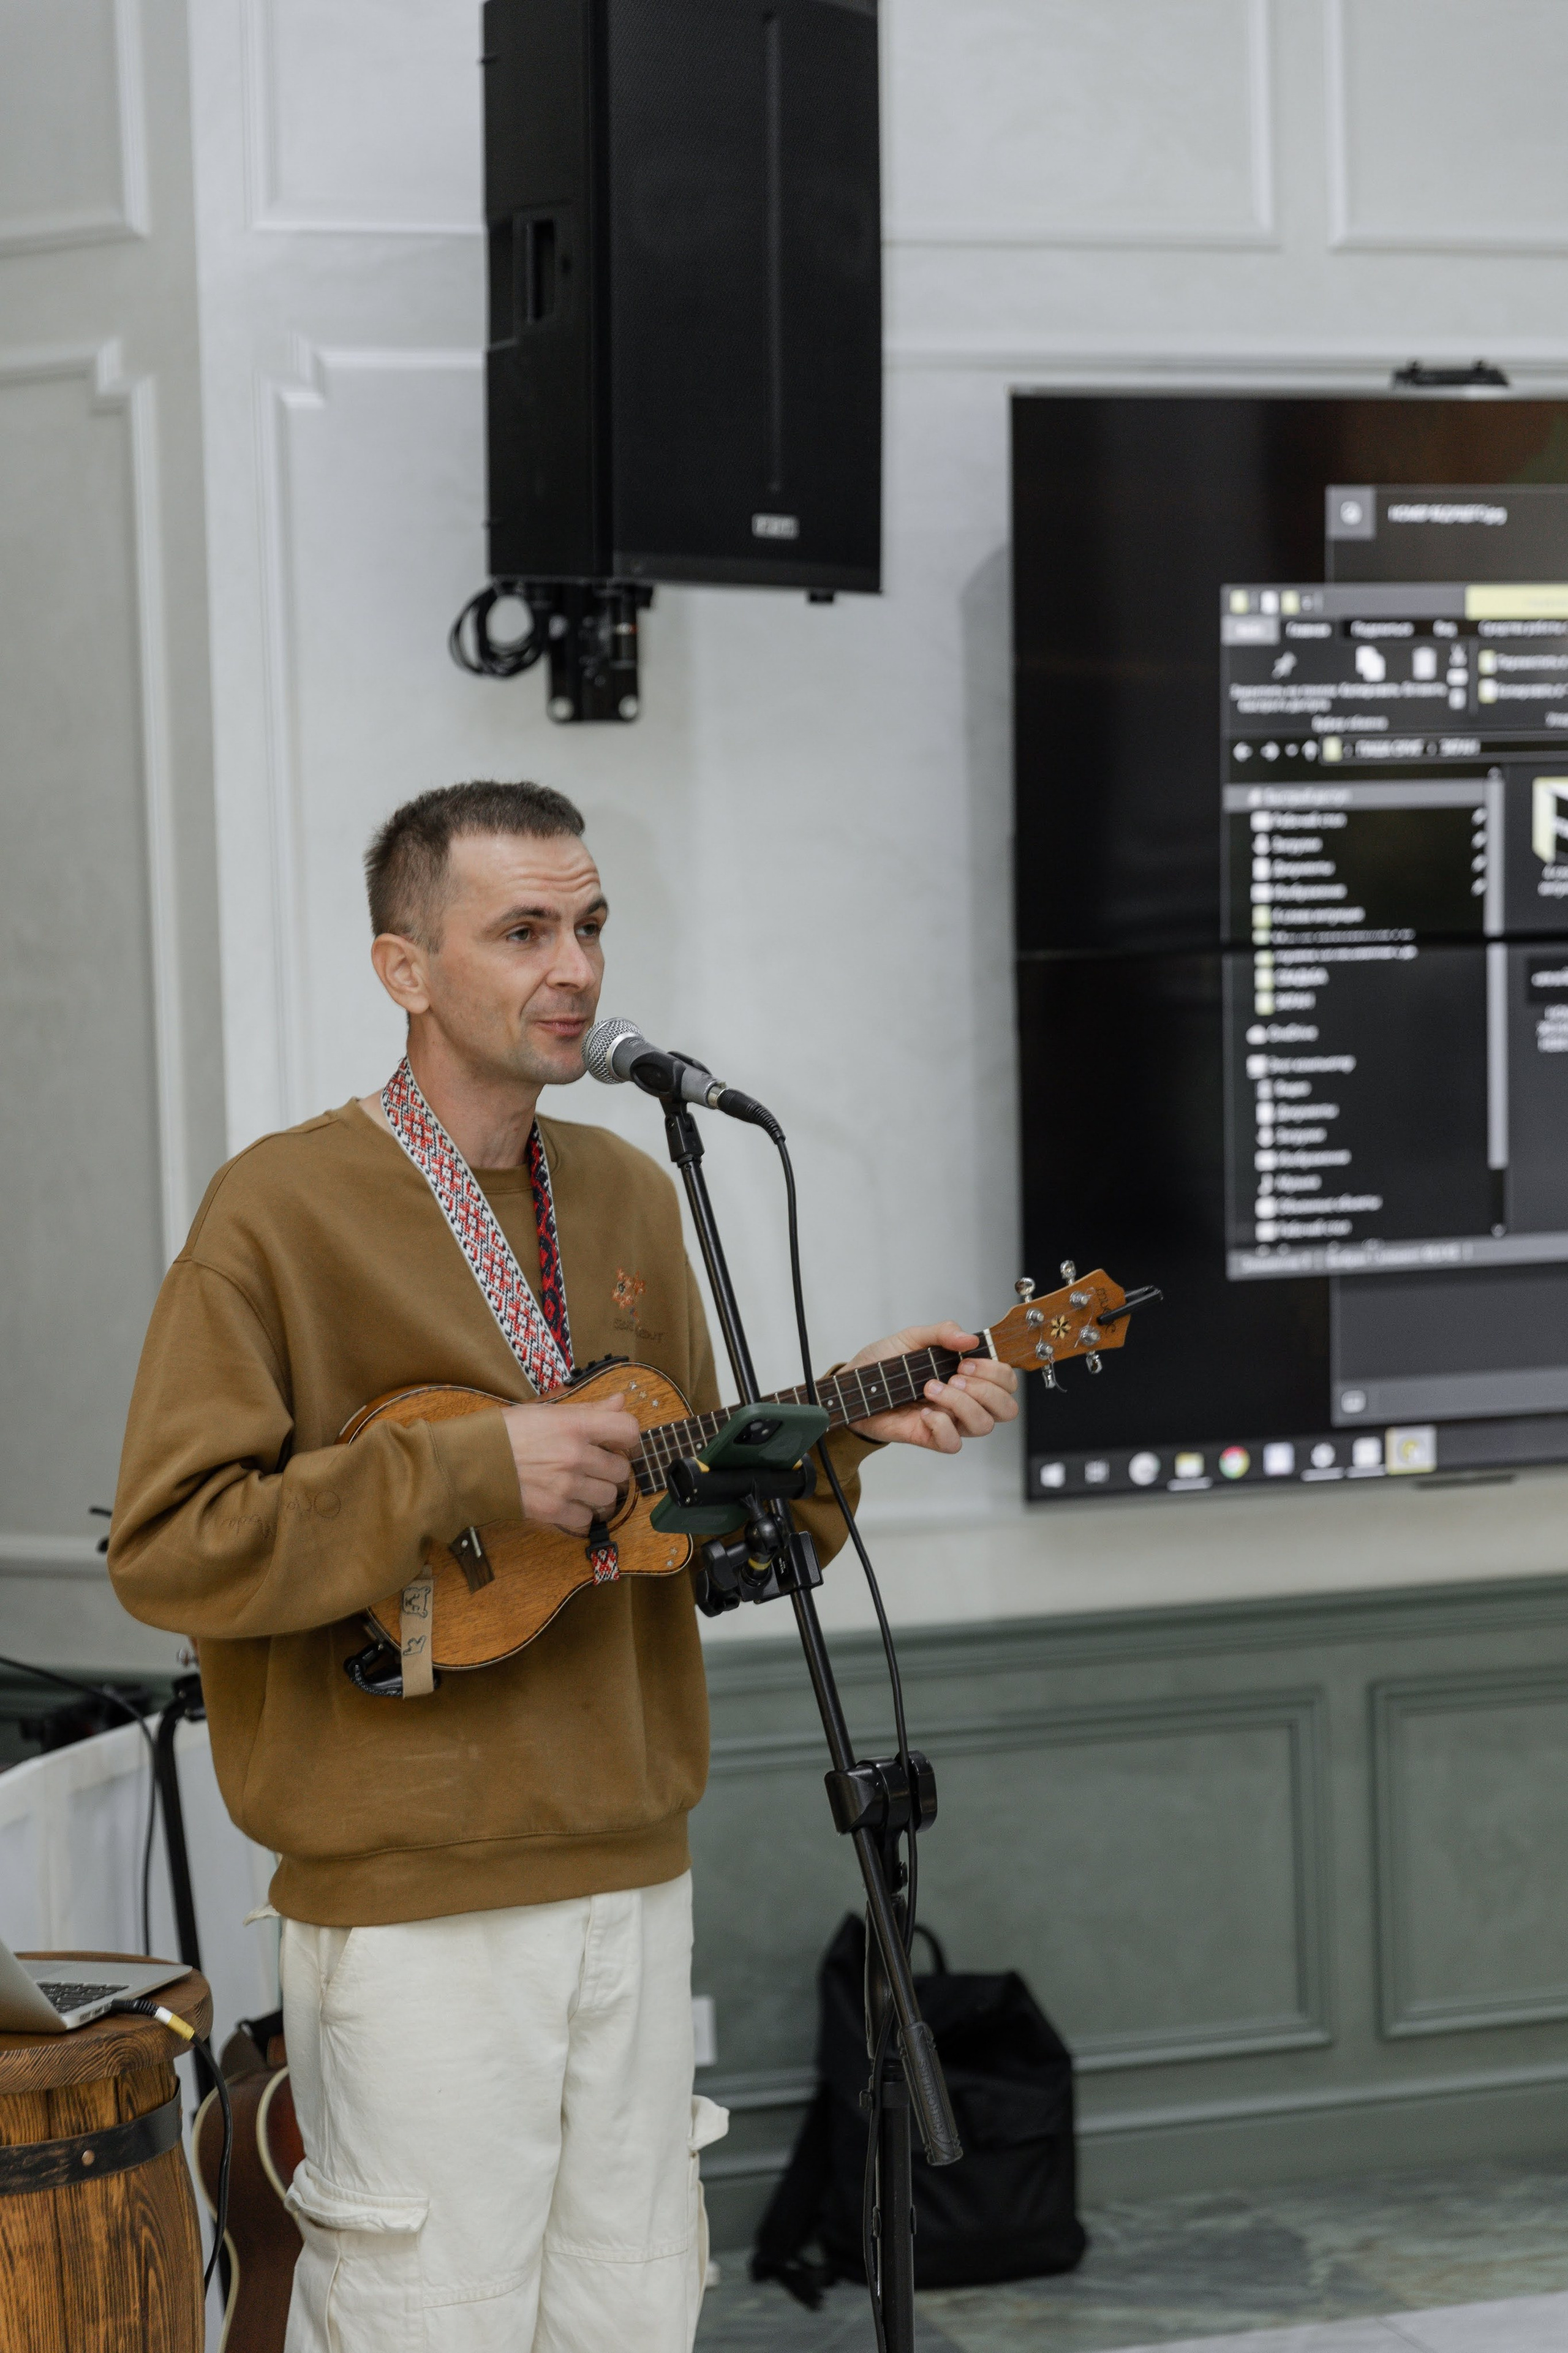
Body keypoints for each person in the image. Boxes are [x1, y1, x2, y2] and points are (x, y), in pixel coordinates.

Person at [108, 780, 1017, 2353]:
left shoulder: (629, 1189)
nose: (575, 966)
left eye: (589, 923)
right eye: (523, 928)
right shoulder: (278, 1210)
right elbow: (172, 1547)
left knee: (630, 2313)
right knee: (428, 2320)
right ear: (404, 967)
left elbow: (700, 1533)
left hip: (631, 1868)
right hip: (410, 1913)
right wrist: (469, 1465)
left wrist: (851, 1423)